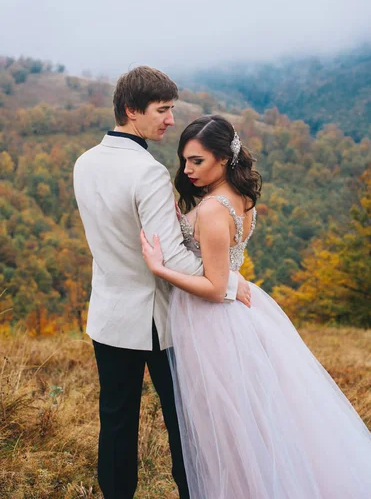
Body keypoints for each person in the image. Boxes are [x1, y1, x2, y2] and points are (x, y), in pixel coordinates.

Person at [141, 114, 371, 499]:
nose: (187, 169)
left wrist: (160, 268)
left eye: (197, 161)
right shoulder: (239, 198)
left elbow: (214, 286)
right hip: (240, 314)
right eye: (184, 160)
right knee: (258, 419)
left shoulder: (212, 209)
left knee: (229, 427)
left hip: (212, 319)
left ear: (223, 159)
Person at [73, 68, 251, 499]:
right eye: (163, 110)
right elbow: (169, 255)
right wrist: (227, 284)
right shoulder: (147, 172)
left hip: (109, 316)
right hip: (157, 322)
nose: (170, 120)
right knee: (184, 425)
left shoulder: (85, 162)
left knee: (116, 422)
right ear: (132, 110)